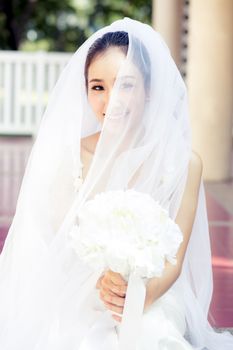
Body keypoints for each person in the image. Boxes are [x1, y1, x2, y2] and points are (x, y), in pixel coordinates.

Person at [0, 17, 232, 350]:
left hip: (154, 291)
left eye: (126, 84)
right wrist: (105, 288)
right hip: (80, 290)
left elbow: (174, 261)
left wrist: (140, 294)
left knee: (151, 335)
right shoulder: (69, 158)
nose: (112, 102)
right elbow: (56, 247)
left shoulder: (184, 163)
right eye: (98, 87)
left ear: (149, 89)